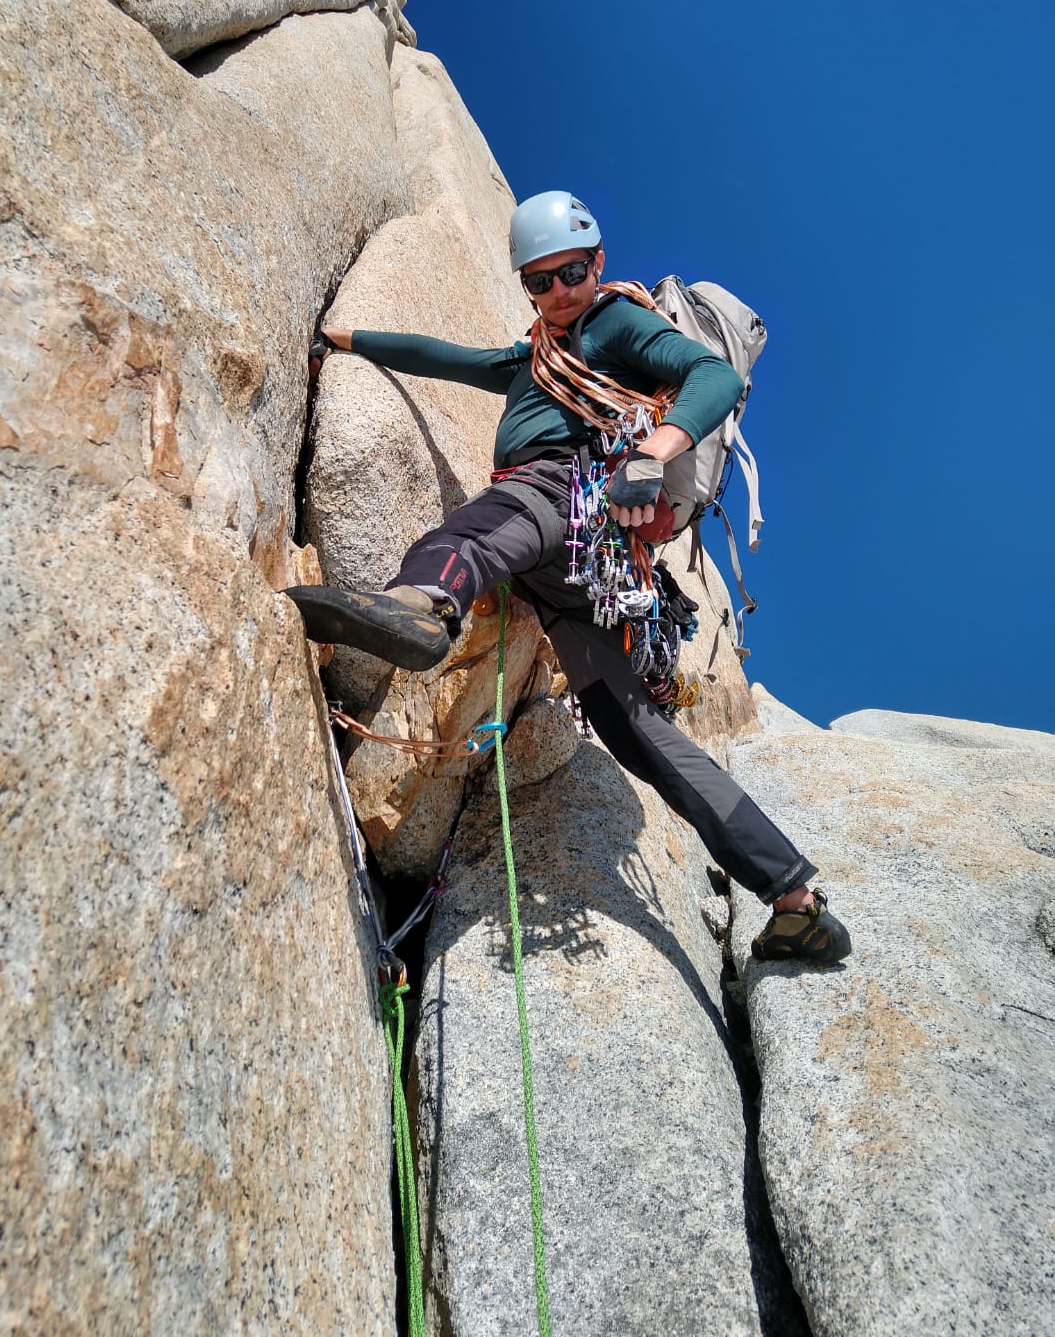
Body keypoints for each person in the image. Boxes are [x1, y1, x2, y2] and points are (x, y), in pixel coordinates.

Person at [288, 191, 850, 965]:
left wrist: (654, 450)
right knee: (635, 731)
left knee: (485, 523)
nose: (558, 292)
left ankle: (422, 606)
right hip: (578, 579)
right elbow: (449, 358)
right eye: (539, 281)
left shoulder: (614, 323)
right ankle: (794, 897)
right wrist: (347, 335)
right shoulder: (531, 357)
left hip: (571, 497)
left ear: (599, 263)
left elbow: (711, 377)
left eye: (572, 272)